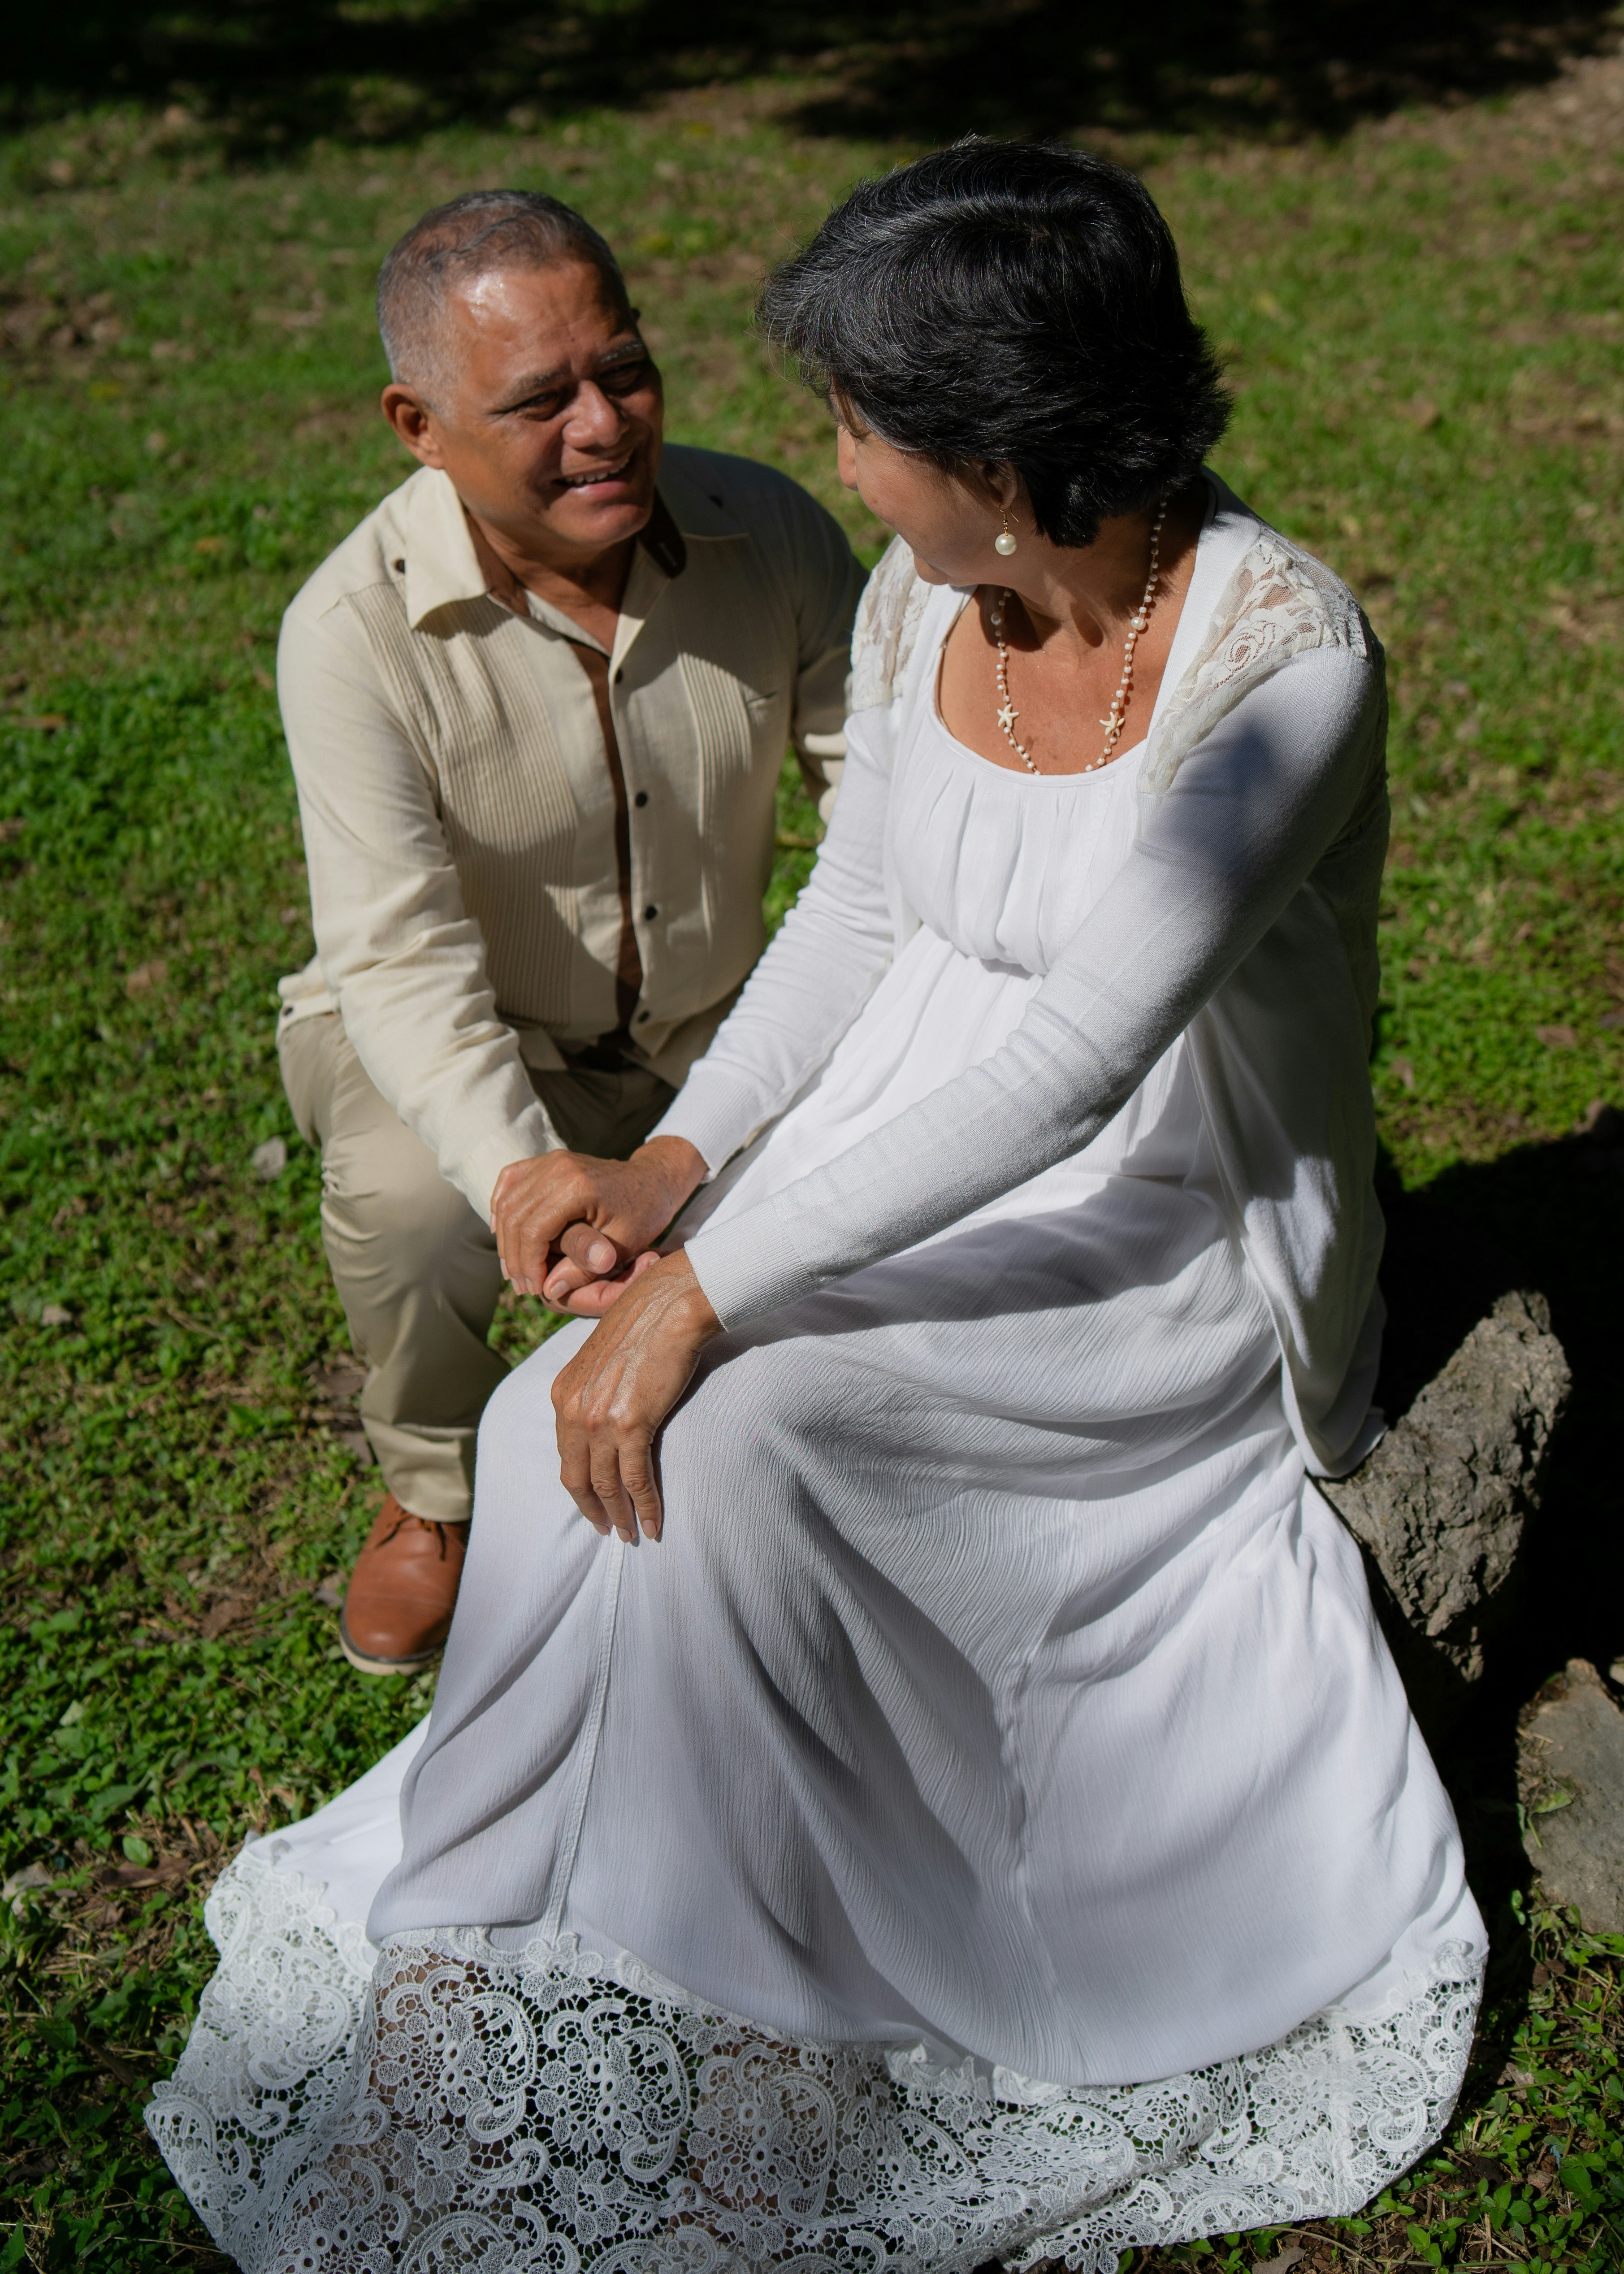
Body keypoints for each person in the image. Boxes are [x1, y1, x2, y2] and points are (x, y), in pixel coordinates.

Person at [151, 143, 1485, 2272]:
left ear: (995, 449)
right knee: (533, 1428)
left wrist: (710, 1294)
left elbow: (1081, 1065)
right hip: (903, 1134)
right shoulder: (928, 591)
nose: (830, 458)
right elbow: (864, 918)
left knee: (731, 1438)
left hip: (1152, 1223)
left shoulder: (1277, 668)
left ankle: (784, 1987)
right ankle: (566, 1910)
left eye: (865, 422)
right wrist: (680, 1177)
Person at [273, 190, 861, 1674]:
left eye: (627, 369)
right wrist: (524, 1170)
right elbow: (396, 957)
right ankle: (436, 1495)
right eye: (540, 400)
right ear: (417, 424)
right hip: (474, 1037)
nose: (605, 425)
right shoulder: (349, 632)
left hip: (716, 1024)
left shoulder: (771, 531)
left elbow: (887, 820)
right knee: (410, 1199)